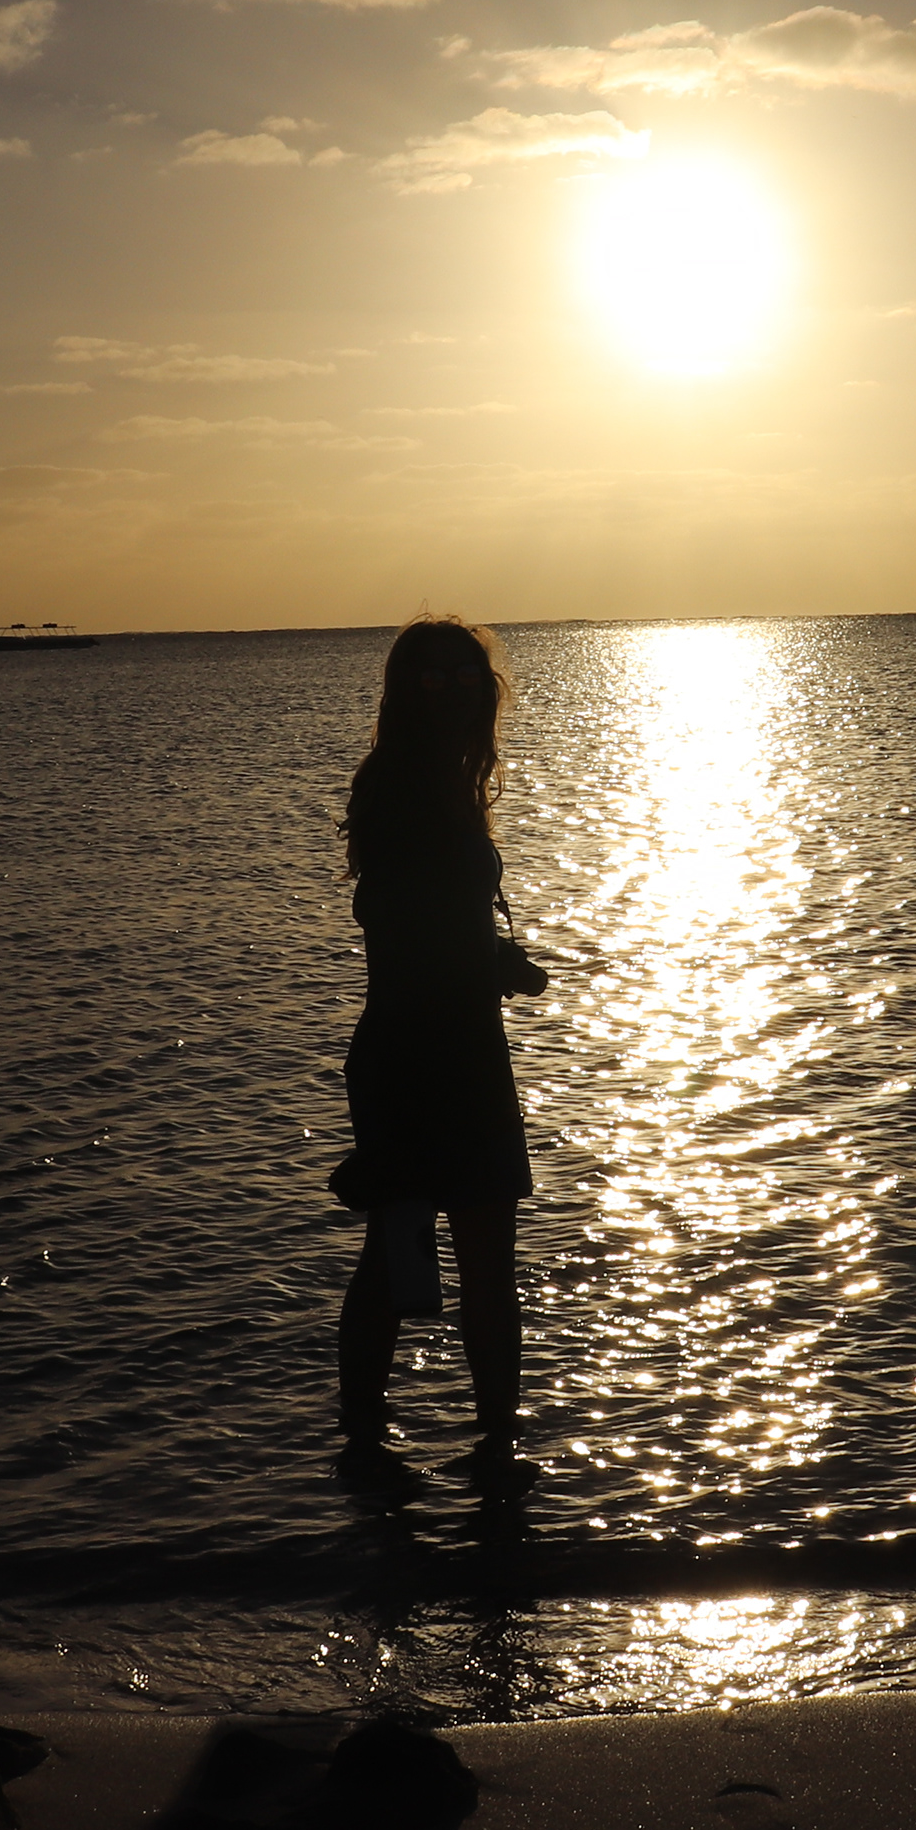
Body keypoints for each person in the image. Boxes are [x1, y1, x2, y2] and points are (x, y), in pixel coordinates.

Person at [334, 616, 550, 1483]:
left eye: (468, 677)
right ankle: (372, 1452)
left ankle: (490, 1459)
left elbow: (437, 921)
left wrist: (497, 962)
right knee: (404, 1259)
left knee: (476, 1262)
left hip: (463, 1045)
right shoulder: (398, 784)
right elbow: (395, 924)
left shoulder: (446, 783)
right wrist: (484, 965)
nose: (455, 693)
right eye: (433, 679)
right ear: (404, 691)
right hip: (417, 1051)